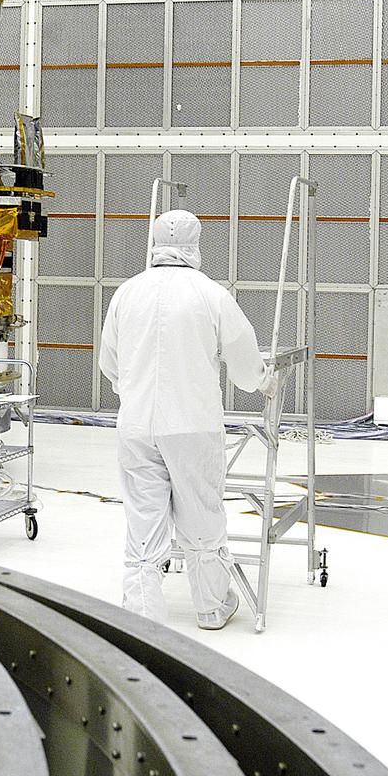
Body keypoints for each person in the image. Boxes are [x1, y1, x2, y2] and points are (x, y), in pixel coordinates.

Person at [99, 210, 274, 632]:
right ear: (196, 245)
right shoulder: (211, 294)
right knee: (202, 516)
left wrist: (135, 392)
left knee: (143, 522)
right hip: (193, 426)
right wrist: (263, 382)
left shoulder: (127, 292)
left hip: (137, 425)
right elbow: (245, 361)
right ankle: (211, 608)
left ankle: (142, 620)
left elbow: (109, 362)